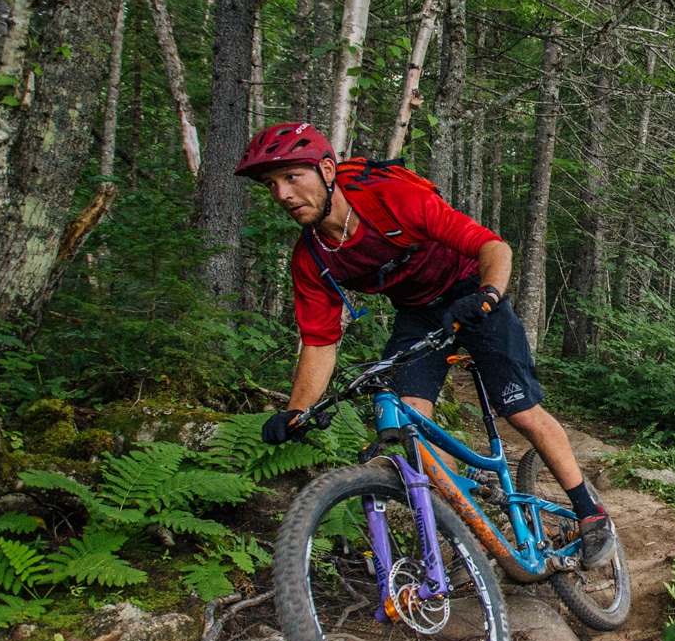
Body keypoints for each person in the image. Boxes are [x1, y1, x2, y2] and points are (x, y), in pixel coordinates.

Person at [234, 121, 611, 562]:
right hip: (417, 313)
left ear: (327, 169)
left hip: (473, 292)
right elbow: (319, 340)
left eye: (292, 177)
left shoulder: (392, 200)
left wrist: (488, 294)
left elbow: (494, 247)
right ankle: (462, 530)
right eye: (271, 185)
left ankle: (590, 513)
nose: (282, 195)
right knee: (409, 421)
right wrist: (297, 410)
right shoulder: (312, 258)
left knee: (521, 411)